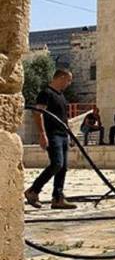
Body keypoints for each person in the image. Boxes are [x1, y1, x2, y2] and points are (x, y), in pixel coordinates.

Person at [24, 69, 77, 209]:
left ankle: (58, 198)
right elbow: (38, 113)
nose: (69, 83)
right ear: (61, 77)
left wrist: (70, 135)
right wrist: (42, 134)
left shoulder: (61, 96)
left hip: (63, 134)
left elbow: (63, 118)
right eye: (68, 80)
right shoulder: (46, 93)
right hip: (52, 134)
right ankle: (33, 191)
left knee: (63, 167)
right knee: (57, 164)